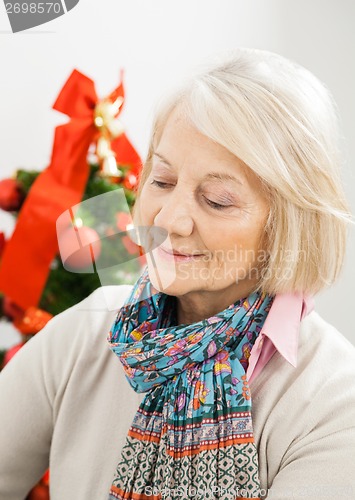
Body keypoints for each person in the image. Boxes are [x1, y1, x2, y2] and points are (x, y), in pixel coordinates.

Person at [1, 47, 355, 500]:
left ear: (289, 225)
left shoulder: (334, 400)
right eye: (162, 181)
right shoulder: (84, 334)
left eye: (217, 200)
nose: (168, 220)